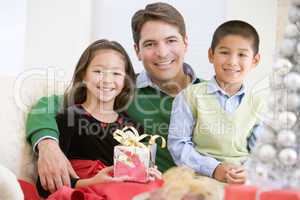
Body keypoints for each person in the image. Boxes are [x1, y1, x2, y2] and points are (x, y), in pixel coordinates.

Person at [26, 2, 201, 194]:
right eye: (150, 44)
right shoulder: (121, 90)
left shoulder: (214, 93)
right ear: (137, 50)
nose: (162, 52)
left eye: (171, 40)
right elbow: (48, 106)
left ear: (186, 42)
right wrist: (47, 144)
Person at [36, 39, 162, 199]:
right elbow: (44, 186)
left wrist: (147, 174)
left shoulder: (133, 127)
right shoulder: (68, 118)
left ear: (126, 81)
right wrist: (92, 182)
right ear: (83, 75)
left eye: (116, 73)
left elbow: (132, 180)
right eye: (98, 72)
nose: (107, 80)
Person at [168, 20, 265, 184]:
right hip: (199, 178)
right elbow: (178, 145)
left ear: (254, 60)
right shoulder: (189, 96)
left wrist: (249, 170)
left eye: (242, 55)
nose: (232, 61)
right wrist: (214, 169)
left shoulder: (258, 103)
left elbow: (261, 151)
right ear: (211, 55)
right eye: (224, 52)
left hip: (242, 180)